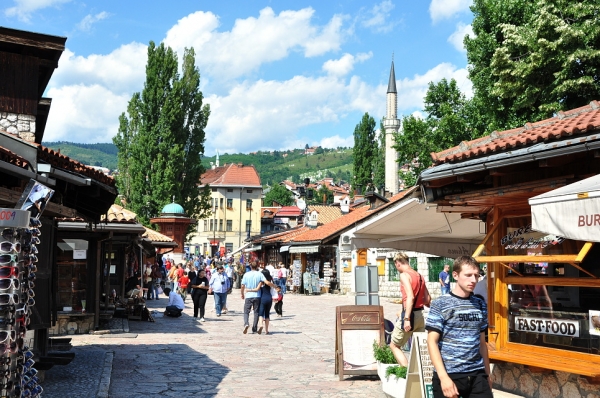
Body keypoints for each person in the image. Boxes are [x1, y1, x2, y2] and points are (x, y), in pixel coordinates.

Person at [426, 256, 492, 398]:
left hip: (477, 374)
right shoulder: (441, 304)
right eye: (468, 275)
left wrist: (487, 374)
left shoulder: (480, 304)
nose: (473, 280)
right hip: (450, 374)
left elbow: (482, 343)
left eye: (476, 275)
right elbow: (432, 341)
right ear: (455, 275)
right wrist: (443, 378)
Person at [389, 252, 431, 367]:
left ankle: (405, 372)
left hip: (410, 315)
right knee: (418, 347)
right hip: (420, 314)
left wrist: (406, 318)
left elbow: (410, 296)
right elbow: (427, 298)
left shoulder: (404, 275)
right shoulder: (419, 276)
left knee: (394, 345)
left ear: (397, 263)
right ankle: (419, 373)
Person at [241, 261, 275, 334]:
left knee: (246, 312)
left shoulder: (246, 274)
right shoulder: (260, 274)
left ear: (250, 267)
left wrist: (242, 293)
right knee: (256, 312)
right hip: (257, 296)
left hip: (249, 295)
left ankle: (246, 323)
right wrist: (275, 286)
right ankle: (254, 328)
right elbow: (266, 282)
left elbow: (243, 285)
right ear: (257, 267)